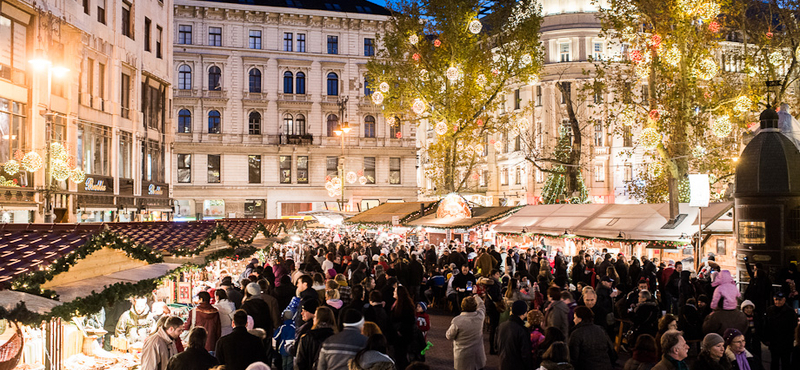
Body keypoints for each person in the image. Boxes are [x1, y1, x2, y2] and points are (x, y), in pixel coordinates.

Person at [446, 295, 487, 370]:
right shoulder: (480, 316)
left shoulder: (457, 321)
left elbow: (449, 336)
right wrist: (476, 296)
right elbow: (481, 305)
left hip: (462, 357)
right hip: (477, 356)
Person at [764, 292, 797, 370]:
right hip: (774, 341)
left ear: (784, 300)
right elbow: (766, 326)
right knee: (774, 362)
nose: (777, 302)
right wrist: (766, 339)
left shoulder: (790, 312)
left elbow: (793, 326)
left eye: (779, 300)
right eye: (776, 300)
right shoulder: (770, 310)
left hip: (786, 342)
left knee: (786, 362)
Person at [497, 300, 534, 370]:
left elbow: (496, 346)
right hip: (517, 365)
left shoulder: (501, 326)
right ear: (524, 313)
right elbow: (525, 354)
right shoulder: (522, 330)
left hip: (503, 363)